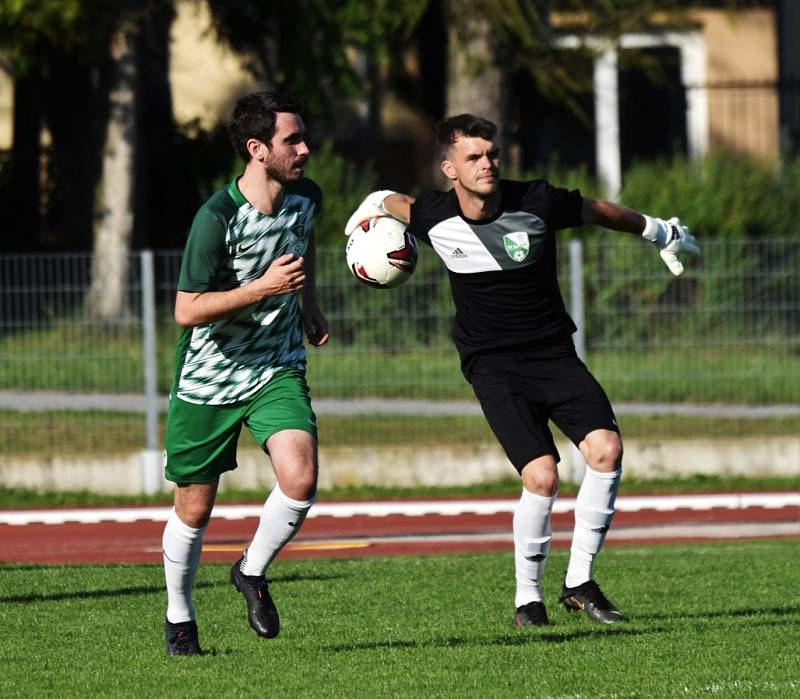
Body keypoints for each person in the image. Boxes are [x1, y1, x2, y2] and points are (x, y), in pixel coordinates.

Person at [344, 114, 699, 627]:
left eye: (491, 154)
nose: (487, 164)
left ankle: (580, 582)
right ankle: (527, 600)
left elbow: (599, 211)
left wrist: (658, 230)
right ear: (450, 168)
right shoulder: (433, 215)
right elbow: (386, 200)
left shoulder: (536, 200)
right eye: (473, 157)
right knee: (543, 474)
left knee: (606, 449)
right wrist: (365, 211)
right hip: (493, 367)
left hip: (553, 354)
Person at [162, 91, 329, 656]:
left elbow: (302, 248)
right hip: (210, 376)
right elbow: (187, 309)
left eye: (303, 136)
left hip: (275, 367)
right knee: (195, 507)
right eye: (292, 141)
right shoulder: (216, 218)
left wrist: (308, 306)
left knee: (301, 478)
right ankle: (180, 618)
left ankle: (251, 571)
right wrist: (260, 290)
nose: (305, 148)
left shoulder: (307, 197)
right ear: (258, 150)